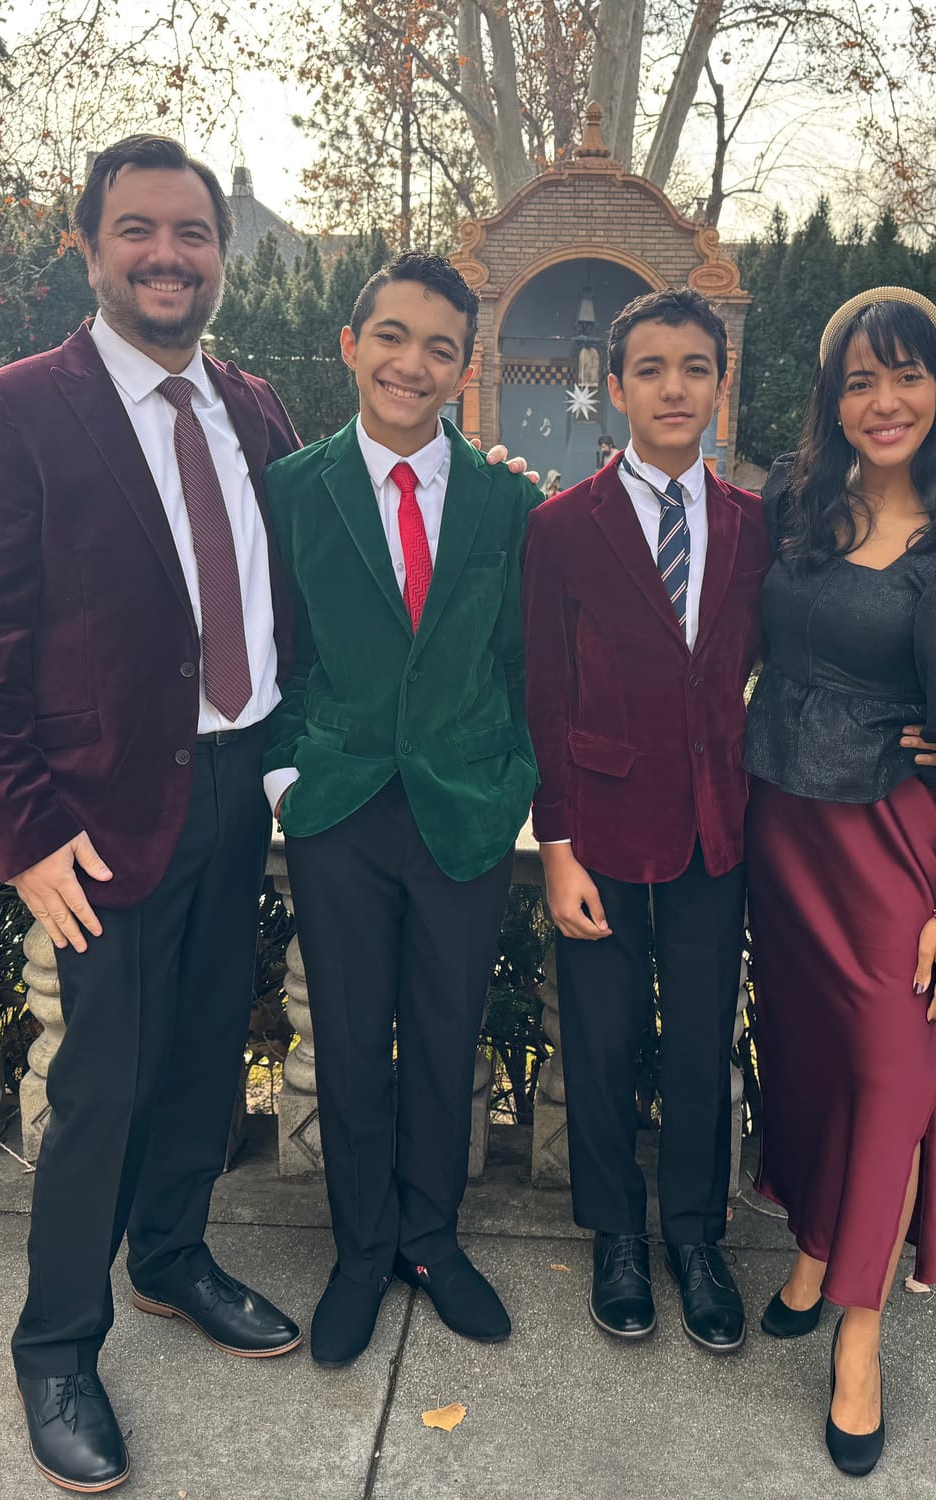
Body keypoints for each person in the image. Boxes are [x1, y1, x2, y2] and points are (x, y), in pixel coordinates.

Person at [0, 139, 527, 1494]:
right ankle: (56, 1344)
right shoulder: (16, 408)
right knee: (104, 1081)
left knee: (210, 1054)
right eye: (138, 229)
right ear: (90, 245)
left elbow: (335, 534)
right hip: (100, 811)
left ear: (219, 257)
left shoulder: (248, 408)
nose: (168, 254)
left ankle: (171, 1256)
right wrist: (22, 830)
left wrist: (474, 482)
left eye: (192, 233)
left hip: (240, 789)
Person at [741, 287, 936, 1477]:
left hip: (887, 844)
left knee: (890, 1071)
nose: (884, 401)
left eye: (906, 374)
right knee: (805, 1061)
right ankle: (813, 1252)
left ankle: (859, 1333)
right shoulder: (793, 505)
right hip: (779, 831)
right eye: (859, 379)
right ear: (831, 397)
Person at [262, 250, 542, 1369]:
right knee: (346, 1037)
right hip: (340, 809)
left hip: (463, 811)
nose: (410, 364)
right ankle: (360, 1248)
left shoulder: (507, 501)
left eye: (438, 347)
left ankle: (431, 1238)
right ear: (351, 344)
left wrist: (511, 775)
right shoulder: (292, 491)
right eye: (391, 336)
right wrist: (287, 777)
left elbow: (524, 660)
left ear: (465, 369)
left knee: (443, 1034)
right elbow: (272, 654)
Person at [522, 288, 767, 1353]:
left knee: (702, 1042)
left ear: (719, 384)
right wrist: (556, 845)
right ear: (615, 389)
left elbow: (784, 666)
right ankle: (616, 1234)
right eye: (652, 369)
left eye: (695, 368)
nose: (675, 388)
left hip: (718, 828)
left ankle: (695, 1237)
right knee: (601, 1040)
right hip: (602, 830)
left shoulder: (755, 526)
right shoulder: (560, 528)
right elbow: (544, 695)